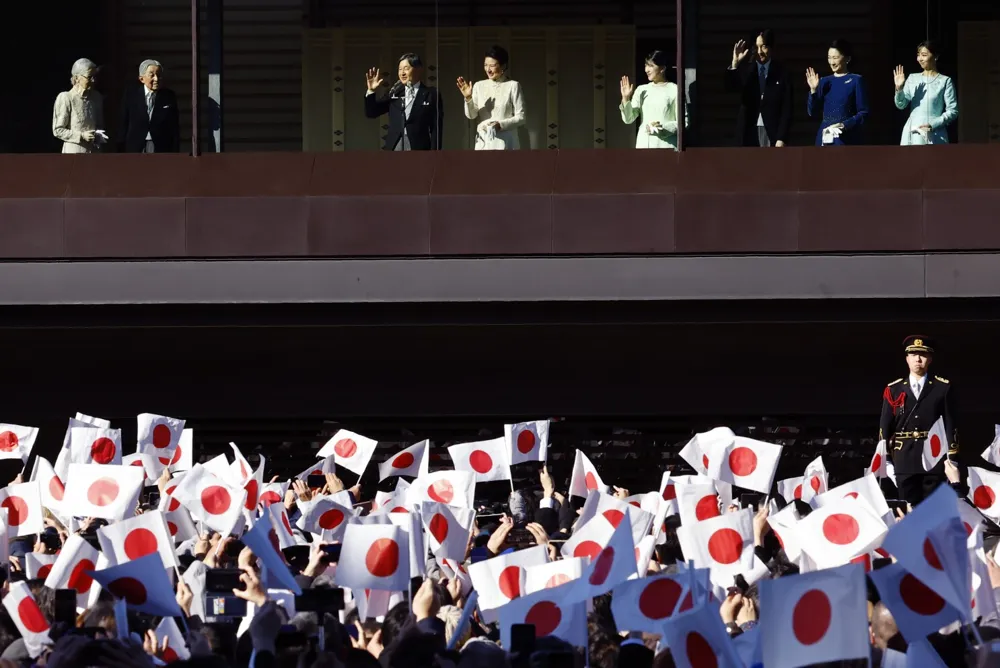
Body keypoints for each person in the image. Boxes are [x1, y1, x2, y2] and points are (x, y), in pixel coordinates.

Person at [878, 335, 958, 506]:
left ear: (930, 358)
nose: (918, 359)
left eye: (922, 354)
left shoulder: (942, 388)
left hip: (933, 455)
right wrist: (886, 459)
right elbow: (885, 426)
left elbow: (950, 424)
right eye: (913, 354)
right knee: (907, 507)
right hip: (904, 457)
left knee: (932, 508)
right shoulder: (894, 389)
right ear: (907, 358)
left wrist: (952, 457)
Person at [724, 29, 792, 147]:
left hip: (772, 133)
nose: (760, 51)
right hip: (749, 132)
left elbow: (787, 108)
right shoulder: (746, 70)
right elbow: (730, 88)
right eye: (756, 47)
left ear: (771, 47)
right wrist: (735, 64)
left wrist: (781, 138)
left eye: (764, 47)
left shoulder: (782, 73)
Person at [364, 53, 443, 151]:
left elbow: (436, 128)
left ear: (418, 69)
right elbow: (372, 113)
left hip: (419, 148)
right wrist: (371, 91)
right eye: (400, 69)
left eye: (406, 68)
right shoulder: (394, 92)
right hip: (394, 147)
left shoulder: (431, 94)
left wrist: (435, 154)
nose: (402, 73)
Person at [456, 45, 525, 150]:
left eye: (492, 65)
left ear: (503, 66)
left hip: (506, 143)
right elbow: (471, 115)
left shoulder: (513, 86)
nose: (488, 69)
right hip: (483, 142)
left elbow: (521, 117)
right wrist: (468, 98)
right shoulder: (479, 86)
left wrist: (500, 124)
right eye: (485, 65)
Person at [893, 40, 958, 145]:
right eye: (918, 55)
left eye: (924, 55)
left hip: (936, 132)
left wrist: (933, 124)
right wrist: (899, 89)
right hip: (913, 131)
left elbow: (953, 111)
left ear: (935, 57)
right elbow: (901, 105)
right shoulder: (912, 78)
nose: (920, 59)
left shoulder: (945, 81)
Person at [619, 50, 687, 149]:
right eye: (646, 65)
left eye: (651, 66)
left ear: (662, 68)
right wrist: (625, 98)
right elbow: (628, 119)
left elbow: (684, 122)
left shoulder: (674, 89)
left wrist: (662, 128)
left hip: (666, 146)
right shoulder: (641, 90)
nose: (646, 70)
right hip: (644, 145)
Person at [806, 39, 869, 146]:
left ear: (847, 59)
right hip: (825, 138)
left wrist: (844, 125)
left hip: (846, 139)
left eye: (835, 58)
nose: (832, 62)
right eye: (829, 58)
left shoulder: (856, 80)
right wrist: (813, 90)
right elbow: (812, 112)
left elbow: (864, 113)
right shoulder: (823, 81)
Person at [119, 59, 181, 153]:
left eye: (159, 75)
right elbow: (123, 122)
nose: (156, 79)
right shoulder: (131, 94)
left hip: (160, 146)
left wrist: (175, 150)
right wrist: (120, 148)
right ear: (142, 79)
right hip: (135, 145)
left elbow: (174, 127)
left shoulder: (169, 96)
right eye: (152, 75)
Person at [52, 58, 104, 154]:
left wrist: (99, 135)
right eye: (89, 77)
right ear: (76, 78)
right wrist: (81, 135)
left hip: (94, 152)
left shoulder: (97, 97)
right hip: (74, 152)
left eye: (95, 76)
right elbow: (58, 130)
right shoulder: (66, 97)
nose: (93, 80)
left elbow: (99, 124)